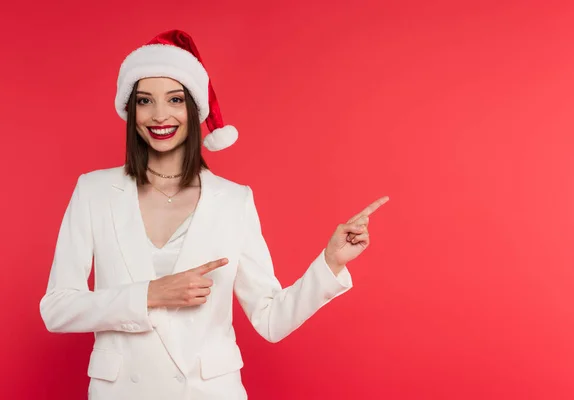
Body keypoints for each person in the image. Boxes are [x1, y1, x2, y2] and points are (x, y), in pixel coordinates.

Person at [39, 29, 389, 400]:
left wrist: (330, 263)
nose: (160, 115)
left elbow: (271, 319)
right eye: (145, 101)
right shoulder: (94, 191)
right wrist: (151, 294)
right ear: (131, 110)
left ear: (194, 108)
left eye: (175, 99)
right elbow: (57, 308)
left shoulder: (233, 200)